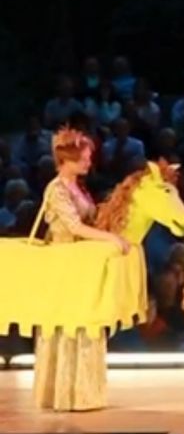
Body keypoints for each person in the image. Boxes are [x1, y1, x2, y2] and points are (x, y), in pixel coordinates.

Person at [34, 128, 130, 412]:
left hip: (81, 264)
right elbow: (74, 227)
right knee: (66, 325)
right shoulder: (56, 189)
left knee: (85, 322)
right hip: (64, 264)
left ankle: (84, 392)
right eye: (85, 158)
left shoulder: (79, 187)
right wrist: (111, 238)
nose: (89, 162)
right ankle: (62, 393)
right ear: (68, 159)